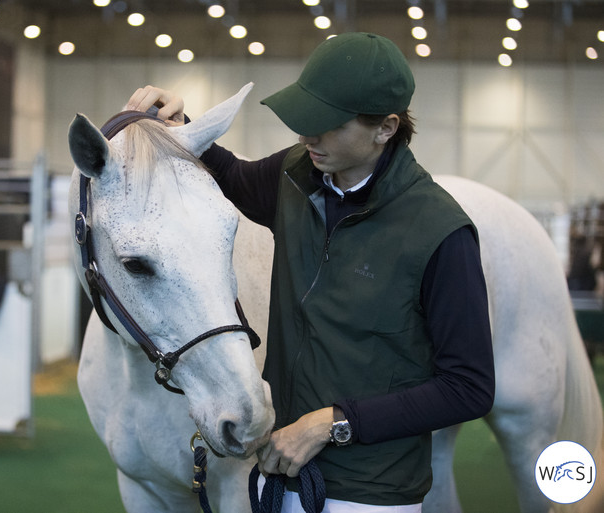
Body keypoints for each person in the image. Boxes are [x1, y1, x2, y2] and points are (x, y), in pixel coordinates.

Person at [126, 32, 495, 512]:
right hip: (278, 478)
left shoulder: (441, 232)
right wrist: (180, 124)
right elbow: (233, 176)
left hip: (370, 496)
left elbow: (469, 388)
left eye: (327, 125)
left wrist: (333, 423)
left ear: (385, 128)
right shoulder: (296, 174)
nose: (306, 137)